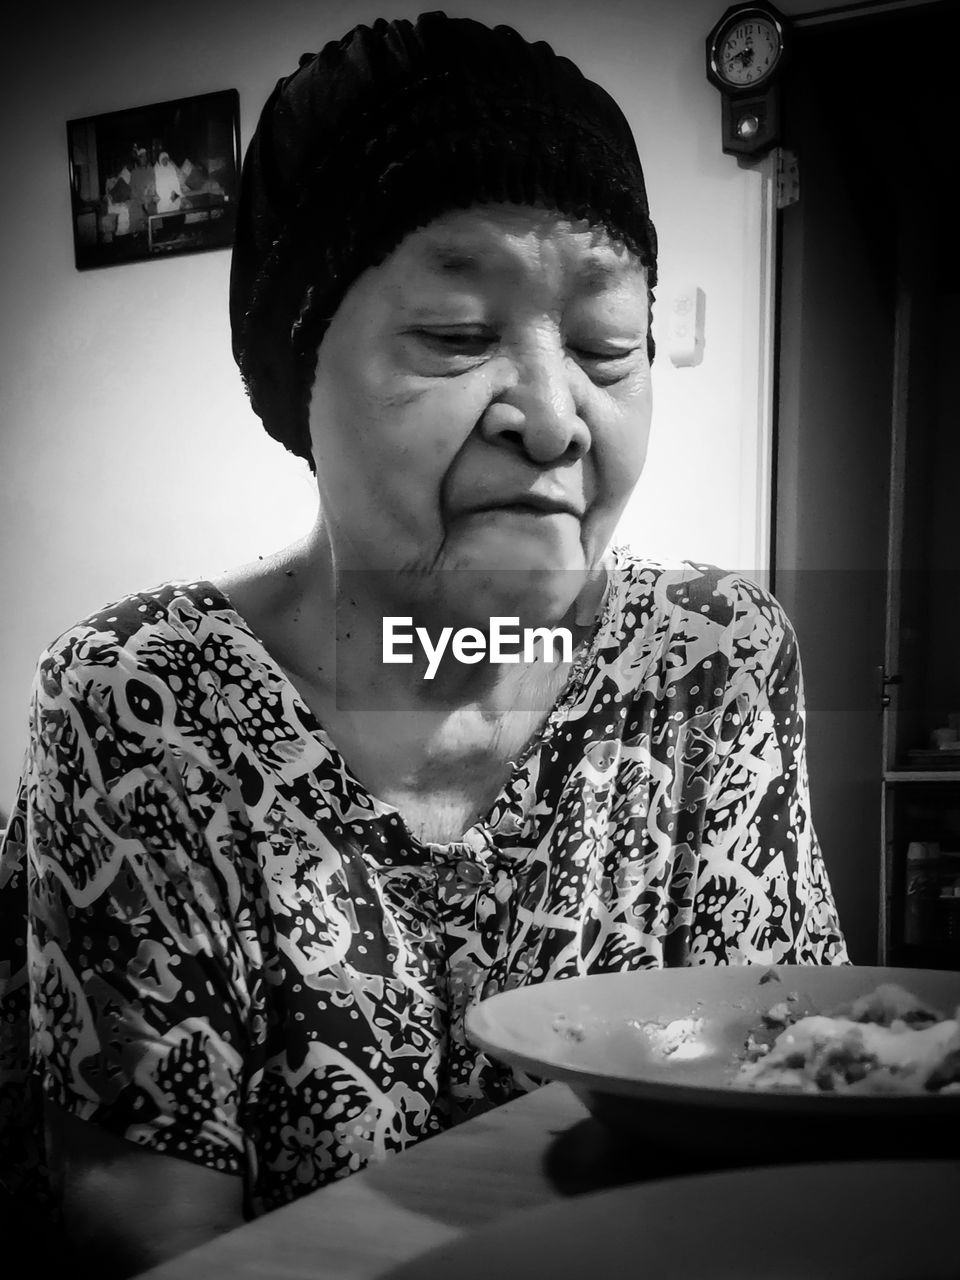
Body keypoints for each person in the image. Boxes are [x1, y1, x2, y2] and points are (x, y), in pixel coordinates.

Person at [0, 11, 847, 1276]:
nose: (558, 420)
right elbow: (150, 1233)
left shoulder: (707, 660)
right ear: (300, 375)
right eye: (459, 336)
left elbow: (788, 1095)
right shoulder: (144, 705)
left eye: (610, 347)